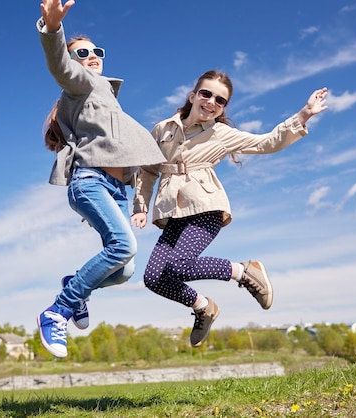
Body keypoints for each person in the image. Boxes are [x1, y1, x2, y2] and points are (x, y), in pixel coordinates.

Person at [131, 70, 328, 347]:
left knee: (179, 265)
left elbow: (266, 142)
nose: (211, 102)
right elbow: (148, 171)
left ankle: (244, 271)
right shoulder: (163, 129)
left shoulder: (221, 133)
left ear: (223, 107)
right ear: (193, 96)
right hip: (174, 212)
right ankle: (203, 307)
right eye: (206, 94)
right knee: (154, 277)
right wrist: (140, 205)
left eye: (220, 100)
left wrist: (303, 115)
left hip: (207, 206)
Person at [36, 0, 166, 358]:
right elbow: (60, 67)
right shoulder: (81, 84)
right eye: (83, 53)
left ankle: (75, 284)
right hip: (89, 181)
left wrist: (139, 201)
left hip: (115, 190)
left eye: (96, 51)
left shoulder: (105, 96)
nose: (92, 56)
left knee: (124, 271)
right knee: (124, 247)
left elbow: (128, 154)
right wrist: (52, 31)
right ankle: (58, 310)